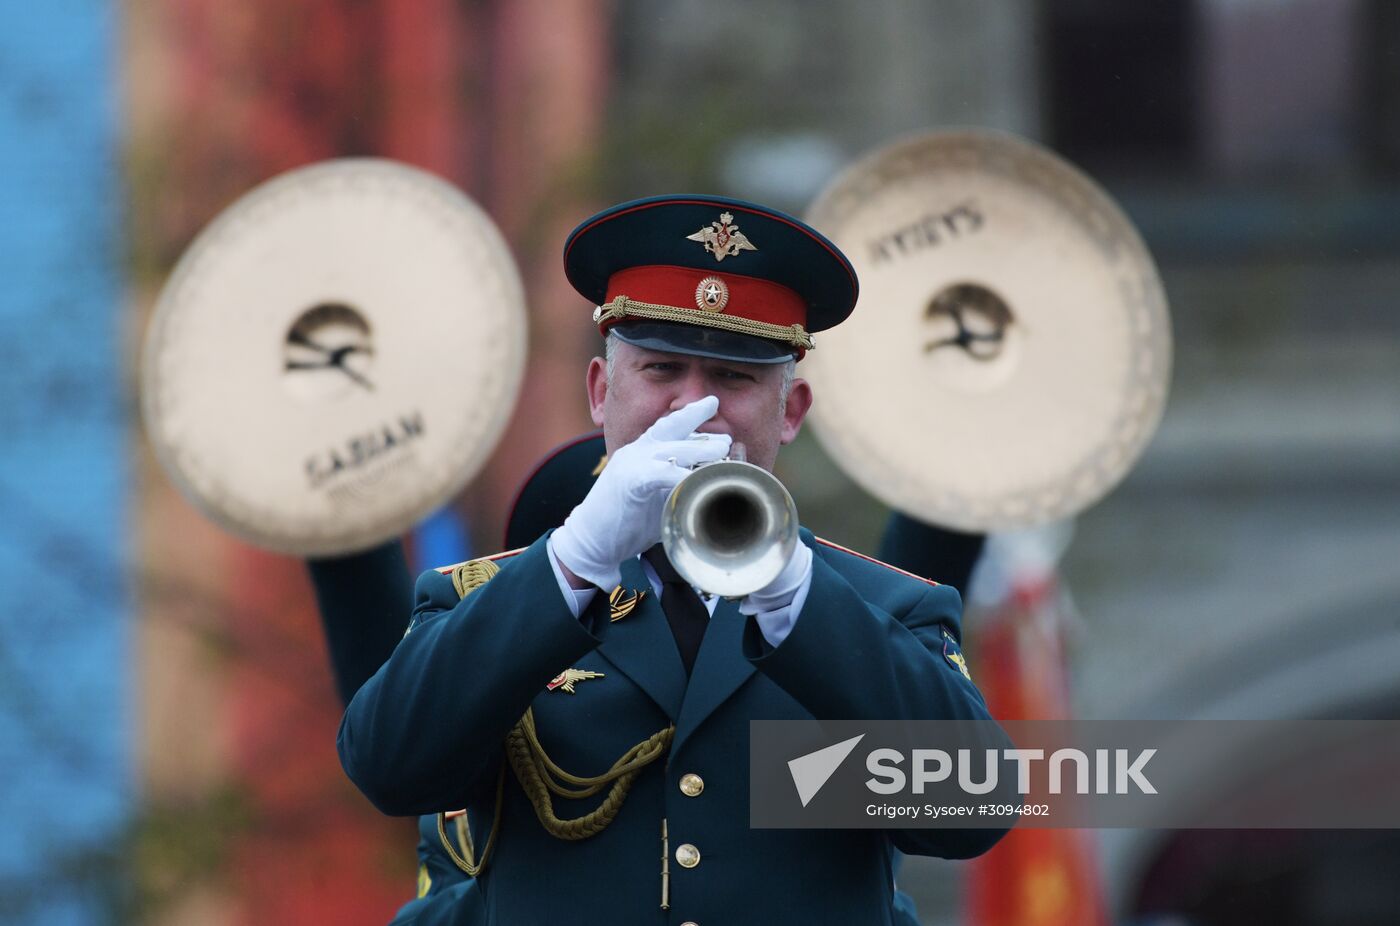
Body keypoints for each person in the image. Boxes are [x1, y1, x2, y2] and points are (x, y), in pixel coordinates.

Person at [339, 195, 1008, 923]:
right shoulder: (482, 597)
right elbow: (389, 770)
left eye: (734, 379)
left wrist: (797, 603)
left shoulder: (887, 608)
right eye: (662, 371)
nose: (695, 407)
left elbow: (969, 811)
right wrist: (574, 560)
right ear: (600, 393)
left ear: (792, 411)